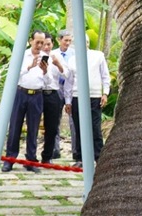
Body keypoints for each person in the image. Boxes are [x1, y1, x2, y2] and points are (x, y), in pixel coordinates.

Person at [1, 30, 58, 173]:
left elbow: (49, 81)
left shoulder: (46, 58)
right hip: (21, 93)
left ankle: (31, 160)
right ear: (30, 41)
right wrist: (29, 67)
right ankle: (10, 160)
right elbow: (14, 75)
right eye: (37, 42)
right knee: (15, 127)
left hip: (37, 95)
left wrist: (45, 71)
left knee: (33, 129)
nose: (40, 45)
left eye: (42, 43)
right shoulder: (22, 55)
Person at [63, 37, 110, 168]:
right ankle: (80, 158)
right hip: (77, 96)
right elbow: (69, 82)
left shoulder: (98, 56)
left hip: (94, 96)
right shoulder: (72, 60)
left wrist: (105, 93)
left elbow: (105, 76)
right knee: (78, 127)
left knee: (95, 128)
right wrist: (68, 101)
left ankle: (99, 157)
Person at [40, 32, 68, 163]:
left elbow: (67, 74)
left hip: (53, 93)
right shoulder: (35, 57)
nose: (46, 47)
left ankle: (47, 156)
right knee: (33, 125)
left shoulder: (56, 56)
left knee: (52, 127)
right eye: (44, 44)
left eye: (48, 44)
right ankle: (30, 155)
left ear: (52, 44)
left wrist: (58, 64)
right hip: (38, 93)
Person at [54, 30, 73, 158]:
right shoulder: (53, 54)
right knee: (54, 119)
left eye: (69, 40)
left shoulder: (74, 54)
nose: (67, 43)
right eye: (65, 40)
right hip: (56, 87)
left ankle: (76, 152)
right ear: (59, 40)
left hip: (70, 87)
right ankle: (55, 150)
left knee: (73, 120)